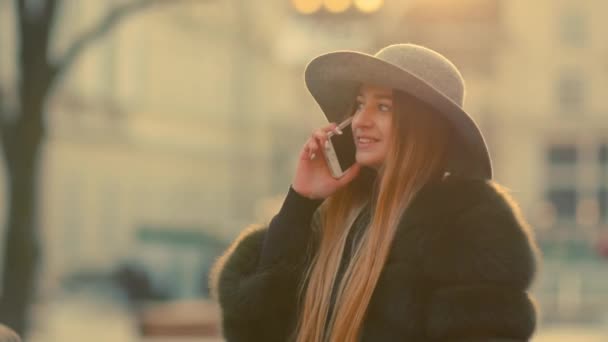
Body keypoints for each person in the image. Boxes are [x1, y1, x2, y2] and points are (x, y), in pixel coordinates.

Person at [209, 44, 540, 341]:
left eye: (383, 107)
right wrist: (300, 202)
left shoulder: (466, 226)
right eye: (358, 104)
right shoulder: (330, 220)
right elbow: (253, 327)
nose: (359, 121)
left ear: (424, 124)